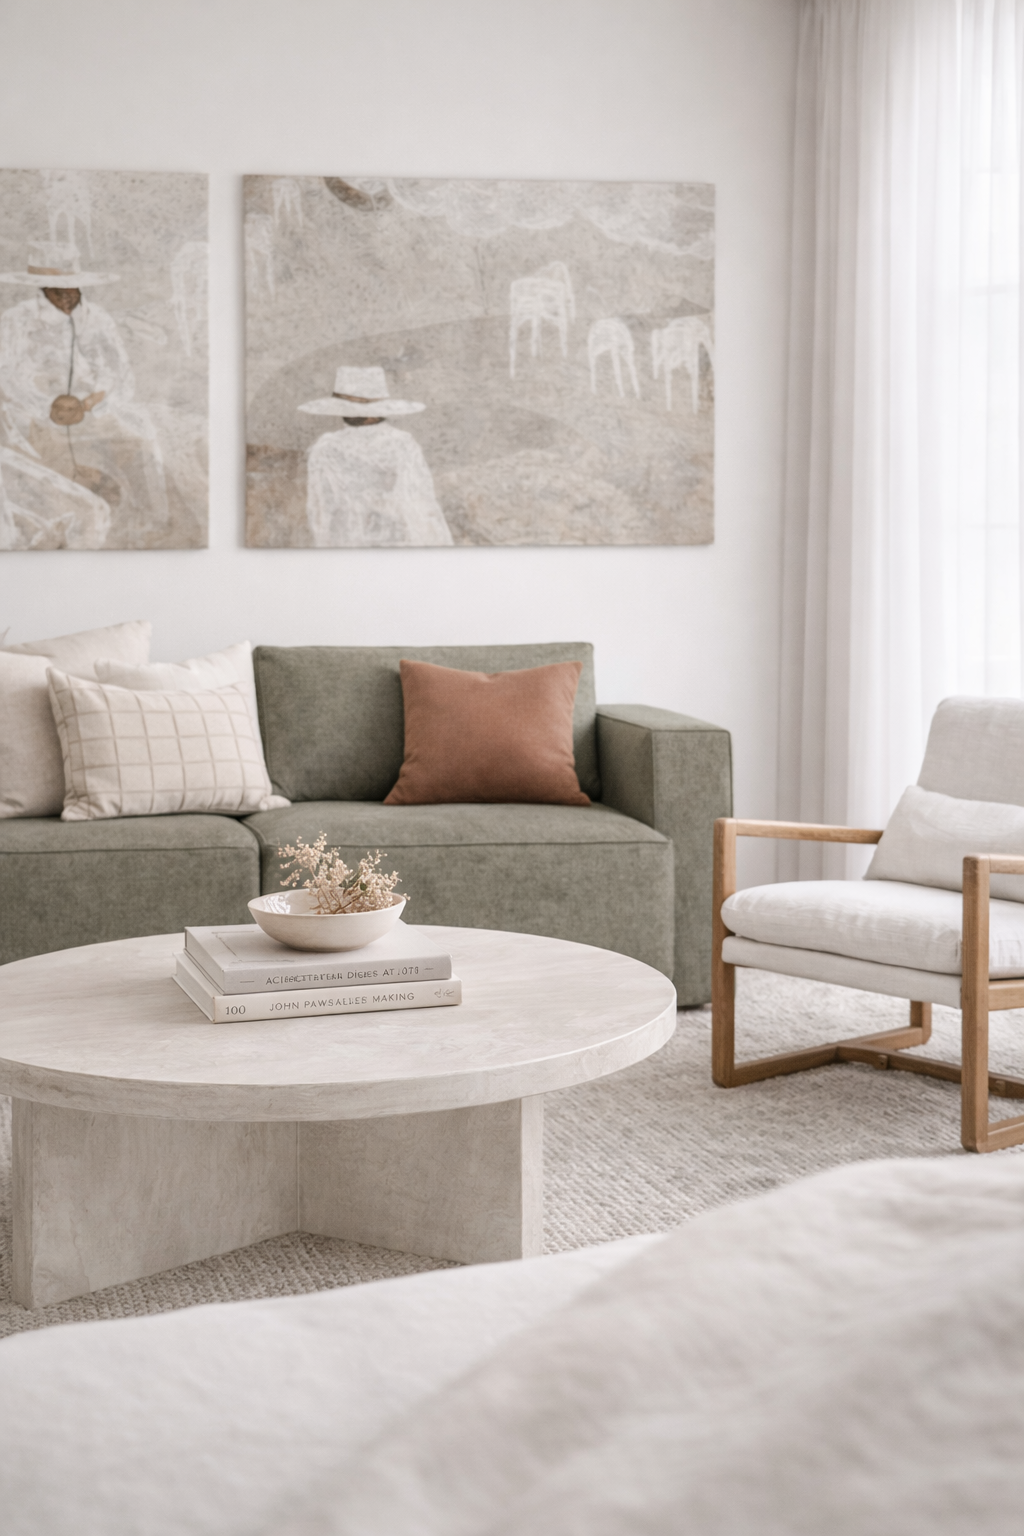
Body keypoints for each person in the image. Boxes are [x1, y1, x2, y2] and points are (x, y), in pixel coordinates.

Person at [0, 241, 168, 547]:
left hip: (94, 409)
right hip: (36, 412)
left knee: (140, 440)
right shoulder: (15, 320)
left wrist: (91, 402)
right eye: (58, 290)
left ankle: (152, 524)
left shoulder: (97, 318)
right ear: (42, 288)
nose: (68, 296)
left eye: (73, 289)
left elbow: (119, 371)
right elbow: (8, 376)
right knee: (44, 460)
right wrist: (46, 405)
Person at [298, 365, 452, 546]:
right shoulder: (401, 443)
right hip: (392, 542)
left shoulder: (325, 447)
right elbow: (422, 506)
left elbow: (319, 512)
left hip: (352, 543)